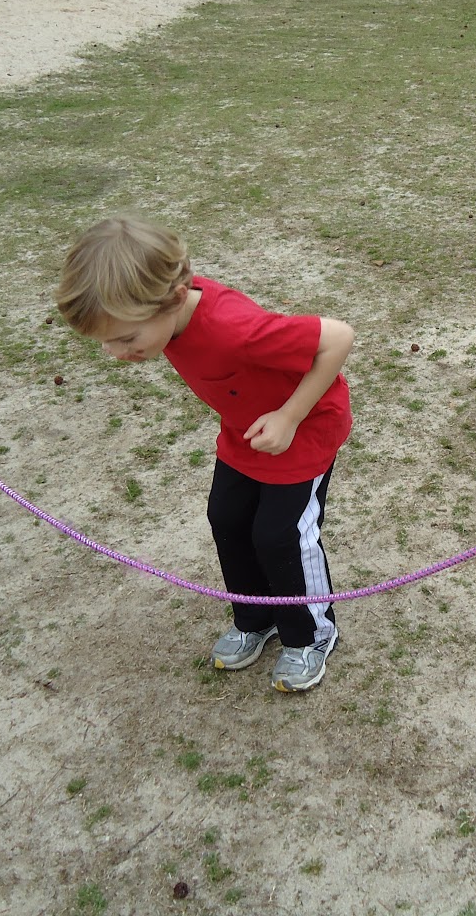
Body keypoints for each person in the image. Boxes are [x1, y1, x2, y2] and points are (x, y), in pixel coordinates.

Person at [55, 216, 354, 694]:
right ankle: (258, 617)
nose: (114, 352)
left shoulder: (235, 329)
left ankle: (312, 634)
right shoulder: (163, 314)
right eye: (104, 341)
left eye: (126, 339)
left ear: (174, 299)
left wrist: (290, 416)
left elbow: (338, 338)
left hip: (302, 433)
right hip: (244, 433)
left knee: (279, 536)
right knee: (227, 518)